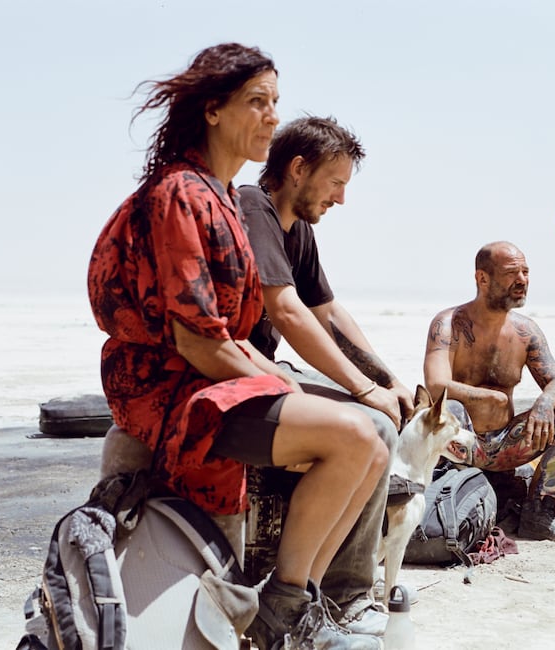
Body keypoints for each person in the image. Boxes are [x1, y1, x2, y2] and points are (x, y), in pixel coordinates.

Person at [87, 43, 386, 649]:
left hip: (213, 379)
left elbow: (234, 335)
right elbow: (198, 342)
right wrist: (291, 393)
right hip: (170, 390)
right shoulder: (181, 195)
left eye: (275, 101)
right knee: (352, 436)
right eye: (258, 101)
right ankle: (279, 616)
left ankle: (299, 602)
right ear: (213, 109)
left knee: (372, 440)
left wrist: (296, 391)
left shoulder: (220, 195)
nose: (272, 116)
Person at [238, 116, 415, 636]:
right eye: (335, 183)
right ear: (297, 169)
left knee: (377, 420)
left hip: (271, 373)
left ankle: (327, 595)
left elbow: (328, 313)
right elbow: (289, 313)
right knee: (370, 424)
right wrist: (363, 391)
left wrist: (387, 379)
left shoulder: (300, 230)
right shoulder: (255, 207)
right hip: (238, 375)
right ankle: (338, 594)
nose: (341, 199)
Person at [423, 241, 555, 542]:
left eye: (526, 272)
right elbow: (436, 385)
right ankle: (447, 504)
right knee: (449, 409)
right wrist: (490, 398)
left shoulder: (525, 331)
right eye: (511, 273)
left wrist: (544, 402)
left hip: (507, 445)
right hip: (461, 445)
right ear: (482, 279)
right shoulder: (449, 323)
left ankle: (539, 514)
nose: (522, 280)